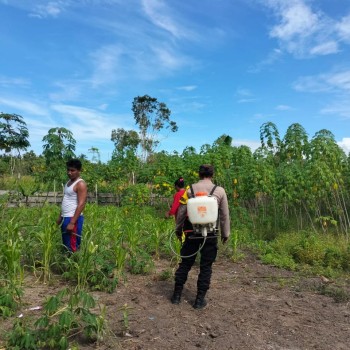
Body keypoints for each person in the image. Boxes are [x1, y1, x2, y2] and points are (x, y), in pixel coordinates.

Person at [171, 164, 230, 309]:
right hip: (210, 234)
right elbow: (224, 215)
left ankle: (176, 296)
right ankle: (199, 300)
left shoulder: (189, 190)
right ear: (212, 175)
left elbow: (181, 212)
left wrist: (178, 230)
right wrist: (225, 233)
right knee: (205, 267)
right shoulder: (220, 191)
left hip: (191, 233)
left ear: (199, 174)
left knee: (185, 263)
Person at [56, 159, 87, 252]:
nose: (69, 172)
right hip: (66, 217)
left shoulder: (80, 184)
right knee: (66, 243)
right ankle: (67, 263)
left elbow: (81, 204)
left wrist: (72, 222)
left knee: (73, 246)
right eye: (68, 170)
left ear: (79, 170)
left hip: (73, 218)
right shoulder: (68, 183)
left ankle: (74, 264)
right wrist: (60, 217)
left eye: (72, 170)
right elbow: (66, 200)